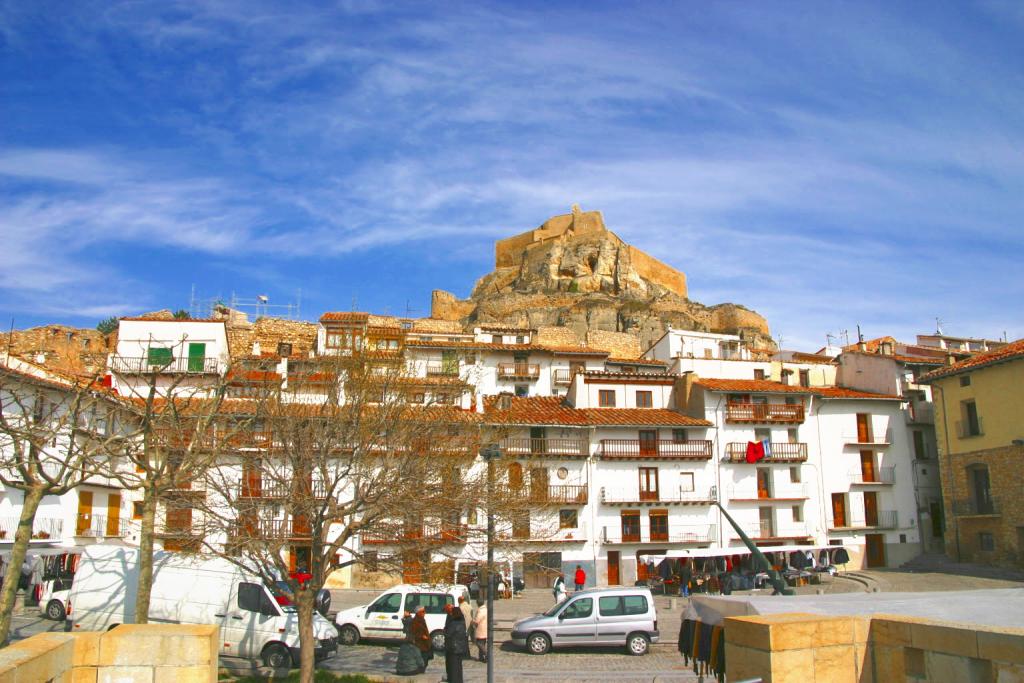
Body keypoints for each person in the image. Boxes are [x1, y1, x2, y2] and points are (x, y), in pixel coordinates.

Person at [443, 603, 469, 683]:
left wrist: (444, 631)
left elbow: (448, 634)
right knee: (458, 666)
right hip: (460, 647)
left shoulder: (453, 624)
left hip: (453, 647)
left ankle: (453, 680)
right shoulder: (462, 622)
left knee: (453, 666)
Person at [396, 610, 424, 676]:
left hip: (399, 671)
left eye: (405, 612)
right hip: (409, 671)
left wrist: (403, 618)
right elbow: (420, 661)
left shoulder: (402, 647)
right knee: (421, 668)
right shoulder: (415, 647)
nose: (404, 613)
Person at [410, 606, 433, 673]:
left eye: (424, 611)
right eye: (423, 611)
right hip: (420, 644)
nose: (424, 613)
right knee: (422, 659)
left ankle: (422, 670)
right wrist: (422, 636)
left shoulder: (422, 619)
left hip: (424, 644)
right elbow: (413, 633)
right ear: (418, 612)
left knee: (425, 659)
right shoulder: (415, 621)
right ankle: (420, 670)